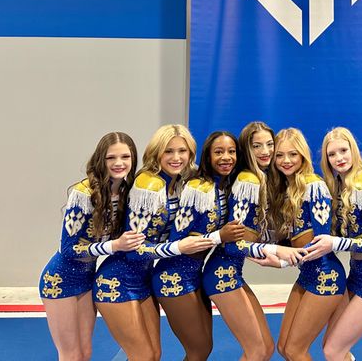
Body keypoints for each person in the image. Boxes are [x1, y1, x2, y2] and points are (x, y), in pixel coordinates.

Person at [94, 124, 215, 361]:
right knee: (144, 356)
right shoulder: (149, 184)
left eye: (183, 151)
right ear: (156, 152)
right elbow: (134, 250)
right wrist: (178, 248)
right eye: (168, 151)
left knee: (152, 355)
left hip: (143, 280)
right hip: (117, 280)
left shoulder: (178, 183)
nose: (176, 157)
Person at [202, 121, 306, 361]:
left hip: (231, 273)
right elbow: (234, 244)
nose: (265, 151)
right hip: (221, 275)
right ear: (246, 150)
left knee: (265, 349)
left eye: (270, 144)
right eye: (256, 145)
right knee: (257, 350)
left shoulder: (262, 179)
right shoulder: (248, 182)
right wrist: (275, 249)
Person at [40, 132, 144, 361]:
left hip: (87, 278)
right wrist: (114, 246)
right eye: (111, 158)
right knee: (70, 354)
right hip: (60, 278)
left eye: (125, 157)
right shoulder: (83, 193)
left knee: (85, 352)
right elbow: (69, 249)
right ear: (101, 160)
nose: (119, 163)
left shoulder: (127, 192)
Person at [152, 131, 246, 360]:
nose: (226, 157)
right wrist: (218, 237)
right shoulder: (196, 188)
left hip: (195, 276)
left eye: (231, 151)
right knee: (198, 349)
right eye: (218, 152)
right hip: (172, 278)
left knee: (203, 349)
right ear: (207, 156)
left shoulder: (225, 187)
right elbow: (177, 241)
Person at [304, 127, 362, 361]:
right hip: (355, 275)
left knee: (332, 350)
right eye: (332, 154)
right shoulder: (338, 185)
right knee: (333, 347)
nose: (339, 158)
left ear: (353, 150)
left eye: (343, 151)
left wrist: (335, 242)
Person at [261, 128, 347, 361]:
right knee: (283, 348)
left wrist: (280, 263)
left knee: (295, 350)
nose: (286, 161)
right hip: (307, 275)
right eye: (280, 155)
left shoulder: (314, 186)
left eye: (293, 154)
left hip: (325, 276)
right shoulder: (286, 189)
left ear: (303, 157)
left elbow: (320, 245)